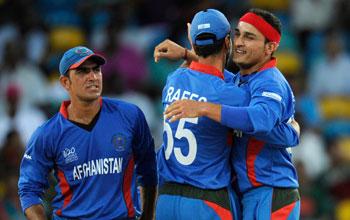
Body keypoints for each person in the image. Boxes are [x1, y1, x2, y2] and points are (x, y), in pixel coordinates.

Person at [155, 8, 300, 220]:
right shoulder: (236, 87)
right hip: (240, 193)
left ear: (270, 47)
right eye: (238, 34)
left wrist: (202, 106)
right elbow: (216, 79)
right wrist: (292, 131)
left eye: (249, 37)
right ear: (228, 42)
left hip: (271, 190)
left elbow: (260, 119)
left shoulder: (270, 82)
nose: (240, 42)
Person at [18, 46, 157, 220]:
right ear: (65, 82)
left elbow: (149, 170)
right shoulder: (48, 133)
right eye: (83, 71)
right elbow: (29, 190)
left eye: (96, 70)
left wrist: (148, 216)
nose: (92, 77)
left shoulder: (130, 116)